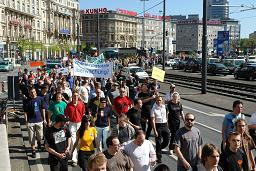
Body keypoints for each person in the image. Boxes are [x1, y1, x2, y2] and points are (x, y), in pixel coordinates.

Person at [64, 90, 86, 166]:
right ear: (72, 96)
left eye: (77, 95)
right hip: (72, 124)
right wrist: (66, 121)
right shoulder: (68, 105)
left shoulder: (82, 104)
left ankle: (79, 156)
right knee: (73, 141)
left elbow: (83, 114)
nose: (75, 97)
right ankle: (74, 159)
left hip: (80, 123)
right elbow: (66, 115)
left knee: (80, 140)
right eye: (74, 95)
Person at [23, 87, 46, 158]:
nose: (33, 93)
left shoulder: (40, 99)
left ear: (35, 92)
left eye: (34, 92)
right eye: (31, 92)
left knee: (40, 136)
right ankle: (33, 151)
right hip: (30, 122)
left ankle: (39, 142)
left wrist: (44, 119)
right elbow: (25, 112)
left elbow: (43, 109)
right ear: (29, 93)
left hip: (39, 120)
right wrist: (26, 121)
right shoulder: (26, 101)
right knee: (31, 137)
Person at [151, 96, 170, 163]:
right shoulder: (153, 108)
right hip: (158, 125)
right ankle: (159, 157)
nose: (159, 102)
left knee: (167, 140)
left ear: (162, 101)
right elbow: (152, 120)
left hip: (164, 125)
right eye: (158, 100)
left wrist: (167, 125)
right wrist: (155, 130)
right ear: (156, 101)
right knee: (158, 142)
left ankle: (158, 149)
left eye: (160, 100)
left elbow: (166, 116)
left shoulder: (164, 107)